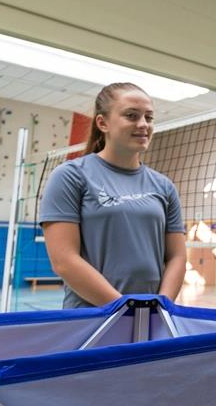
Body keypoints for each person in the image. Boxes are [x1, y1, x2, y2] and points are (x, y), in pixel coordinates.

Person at [39, 82, 186, 308]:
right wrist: (124, 308)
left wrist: (161, 306)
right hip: (92, 318)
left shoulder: (164, 186)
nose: (143, 124)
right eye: (131, 115)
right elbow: (64, 261)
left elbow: (177, 256)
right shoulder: (70, 176)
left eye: (149, 117)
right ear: (103, 122)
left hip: (152, 317)